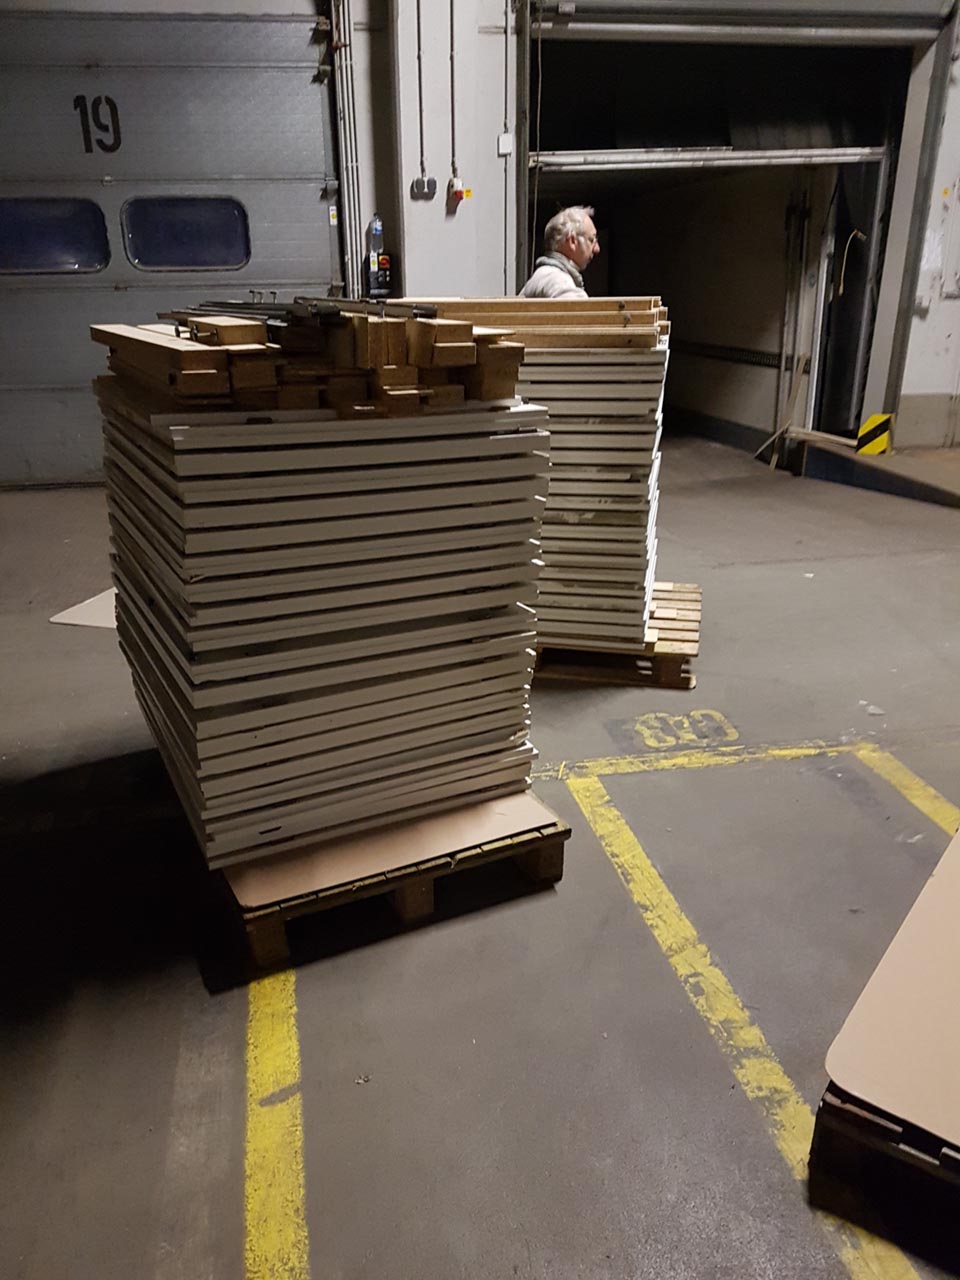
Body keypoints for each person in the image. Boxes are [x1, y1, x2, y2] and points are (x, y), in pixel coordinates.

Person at [520, 205, 600, 299]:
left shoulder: (545, 276)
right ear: (572, 241)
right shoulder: (555, 279)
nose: (597, 249)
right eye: (591, 240)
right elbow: (575, 307)